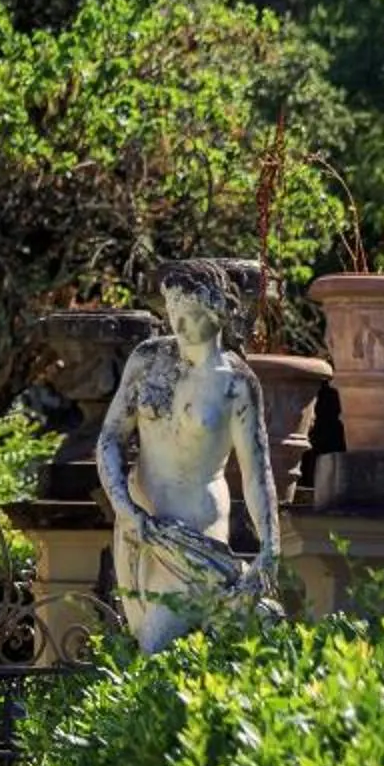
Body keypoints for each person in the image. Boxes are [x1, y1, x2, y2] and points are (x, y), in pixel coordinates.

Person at [95, 263, 280, 653]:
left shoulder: (236, 384)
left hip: (195, 528)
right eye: (172, 312)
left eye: (190, 313)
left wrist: (270, 546)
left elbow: (256, 472)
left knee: (159, 641)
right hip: (139, 522)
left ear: (217, 312)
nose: (178, 325)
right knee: (145, 642)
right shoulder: (148, 360)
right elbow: (110, 438)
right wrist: (123, 506)